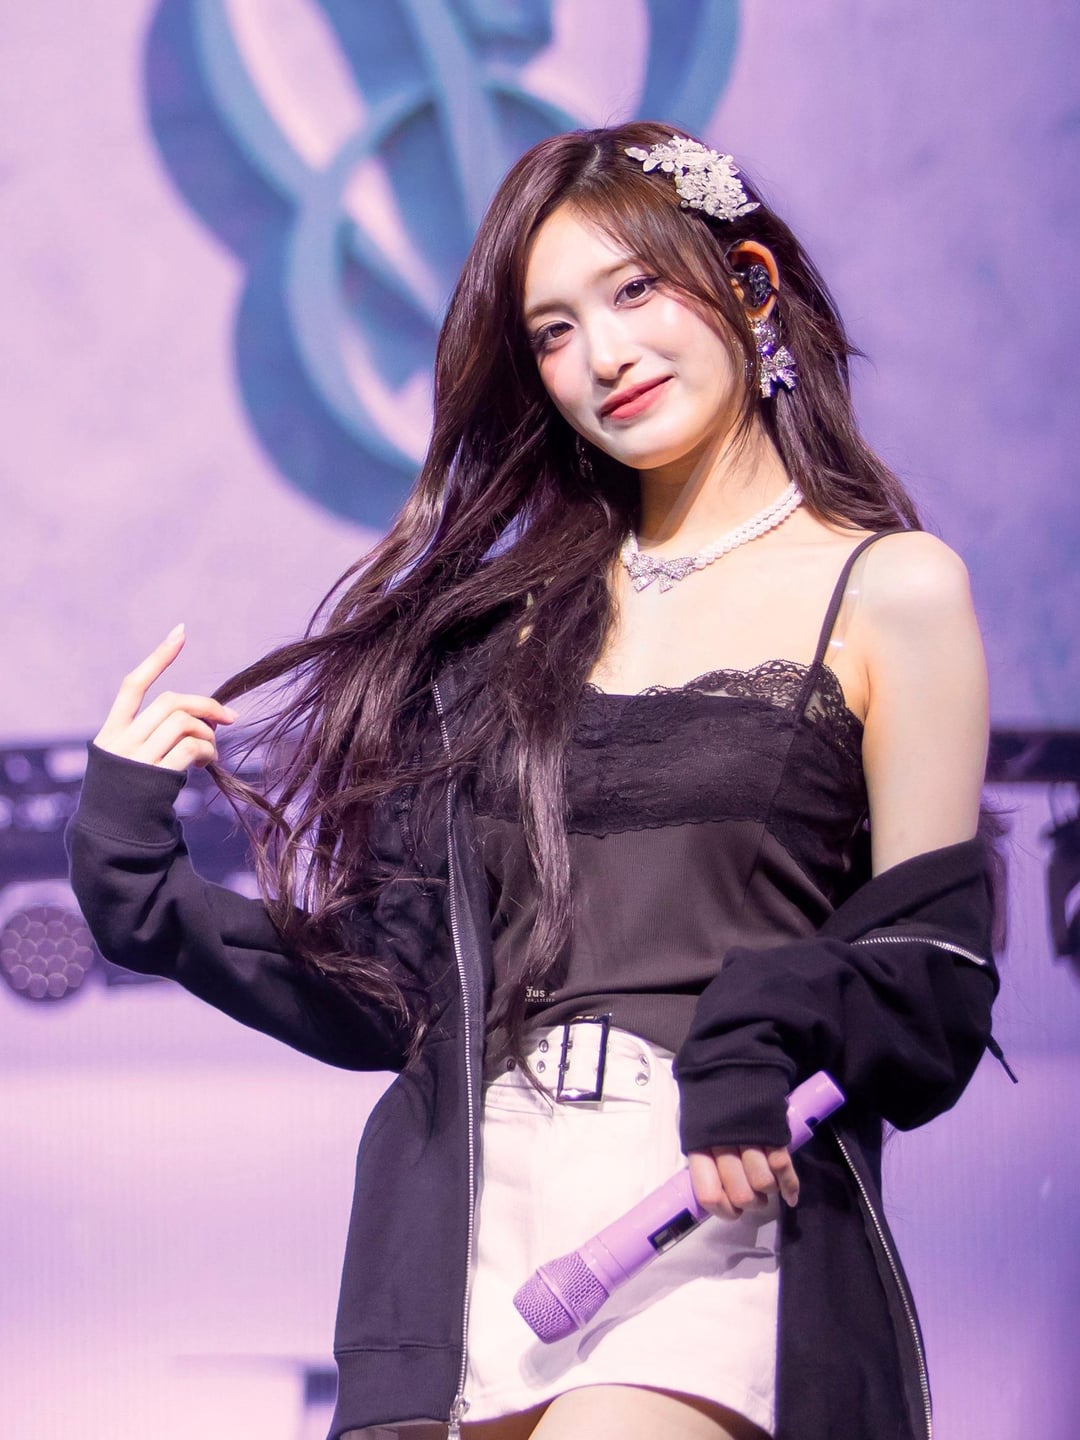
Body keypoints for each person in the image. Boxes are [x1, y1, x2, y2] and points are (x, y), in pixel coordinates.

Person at [67, 123, 1000, 1440]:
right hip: (467, 1210)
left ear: (747, 283)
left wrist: (763, 1024)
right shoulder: (500, 635)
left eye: (635, 290)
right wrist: (136, 879)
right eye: (554, 332)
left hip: (716, 1197)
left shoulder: (892, 588)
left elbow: (934, 973)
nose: (604, 355)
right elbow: (391, 988)